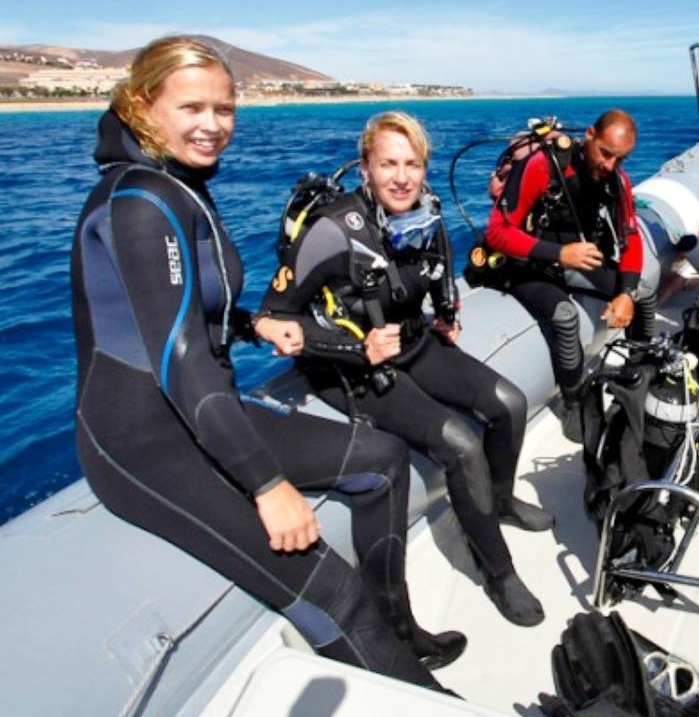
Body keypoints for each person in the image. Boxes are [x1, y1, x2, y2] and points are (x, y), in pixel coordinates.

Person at [70, 37, 463, 690]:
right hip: (145, 441)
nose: (213, 124)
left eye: (224, 107)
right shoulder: (141, 201)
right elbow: (180, 359)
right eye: (192, 106)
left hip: (194, 407)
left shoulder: (176, 182)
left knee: (383, 461)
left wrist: (252, 322)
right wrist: (266, 485)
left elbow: (181, 311)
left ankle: (397, 634)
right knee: (332, 591)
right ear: (143, 104)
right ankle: (425, 700)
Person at [259, 111, 550, 627]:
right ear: (366, 168)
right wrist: (354, 348)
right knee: (460, 443)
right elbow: (271, 319)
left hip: (414, 343)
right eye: (387, 164)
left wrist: (449, 314)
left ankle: (497, 501)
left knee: (509, 404)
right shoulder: (333, 230)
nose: (401, 177)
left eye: (412, 164)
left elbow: (437, 268)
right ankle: (498, 570)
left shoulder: (426, 208)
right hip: (349, 368)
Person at [483, 109, 657, 441]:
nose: (609, 165)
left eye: (619, 159)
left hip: (573, 261)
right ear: (589, 134)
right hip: (524, 264)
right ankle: (572, 402)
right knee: (564, 316)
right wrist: (559, 254)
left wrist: (626, 293)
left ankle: (639, 373)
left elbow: (631, 237)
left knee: (643, 292)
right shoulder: (543, 166)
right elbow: (497, 233)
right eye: (605, 153)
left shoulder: (616, 178)